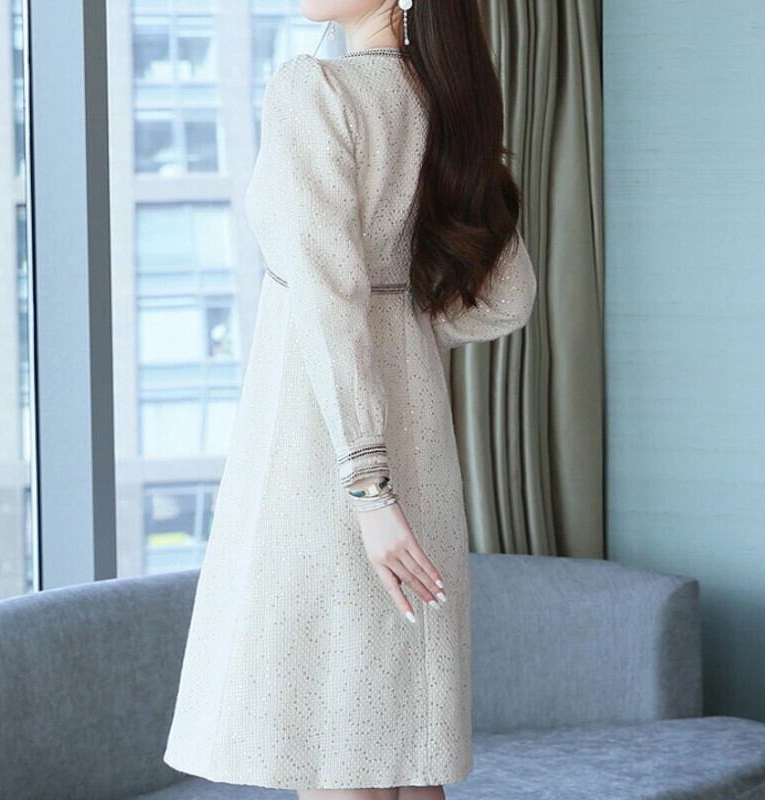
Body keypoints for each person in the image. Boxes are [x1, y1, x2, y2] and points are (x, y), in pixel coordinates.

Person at [162, 1, 537, 798]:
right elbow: (506, 300)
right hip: (417, 447)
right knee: (406, 755)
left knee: (337, 751)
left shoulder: (314, 91)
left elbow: (328, 298)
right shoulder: (448, 105)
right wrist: (403, 319)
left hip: (326, 462)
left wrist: (369, 489)